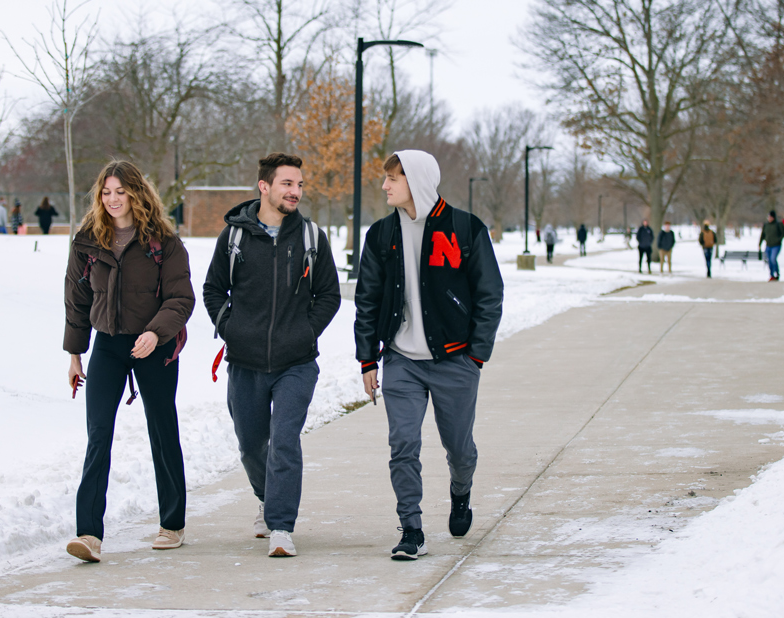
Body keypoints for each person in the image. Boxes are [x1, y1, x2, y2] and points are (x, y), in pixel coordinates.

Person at [355, 151, 503, 561]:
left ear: (416, 180)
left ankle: (460, 491)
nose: (385, 186)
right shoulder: (381, 234)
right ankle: (412, 529)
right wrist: (367, 359)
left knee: (459, 448)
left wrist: (477, 356)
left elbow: (490, 295)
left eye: (393, 178)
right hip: (402, 360)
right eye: (385, 179)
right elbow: (366, 300)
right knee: (402, 444)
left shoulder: (465, 228)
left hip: (455, 361)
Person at [202, 153, 341, 558]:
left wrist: (305, 332)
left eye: (299, 185)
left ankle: (281, 526)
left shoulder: (312, 238)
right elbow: (213, 290)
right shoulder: (234, 237)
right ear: (264, 186)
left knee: (284, 440)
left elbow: (328, 295)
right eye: (287, 184)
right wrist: (231, 329)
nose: (295, 191)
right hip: (244, 362)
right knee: (250, 445)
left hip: (296, 362)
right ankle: (268, 497)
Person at [64, 161, 196, 564]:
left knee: (161, 428)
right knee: (98, 433)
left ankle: (172, 524)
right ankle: (88, 534)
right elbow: (77, 301)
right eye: (106, 192)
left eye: (121, 191)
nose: (113, 199)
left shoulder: (164, 243)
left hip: (154, 346)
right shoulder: (87, 241)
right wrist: (75, 353)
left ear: (137, 193)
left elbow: (181, 299)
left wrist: (156, 332)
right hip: (107, 344)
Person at [759, 210, 784, 281]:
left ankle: (777, 273)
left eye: (770, 217)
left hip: (776, 245)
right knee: (769, 260)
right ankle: (771, 274)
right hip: (768, 245)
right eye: (768, 217)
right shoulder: (766, 225)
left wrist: (778, 240)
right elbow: (763, 234)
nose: (769, 218)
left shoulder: (778, 224)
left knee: (773, 259)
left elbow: (783, 234)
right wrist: (760, 243)